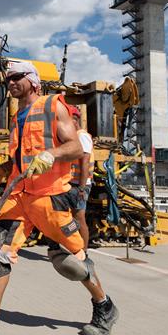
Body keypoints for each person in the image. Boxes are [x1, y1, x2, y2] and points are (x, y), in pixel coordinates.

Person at [0, 61, 119, 335]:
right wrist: (2, 168)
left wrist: (52, 155)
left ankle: (104, 306)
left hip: (49, 197)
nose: (9, 82)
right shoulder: (18, 118)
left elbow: (76, 147)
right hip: (19, 199)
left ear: (33, 81)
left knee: (72, 262)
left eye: (16, 78)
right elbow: (22, 158)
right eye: (7, 79)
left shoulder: (53, 105)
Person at [67, 106, 94, 251]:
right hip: (73, 183)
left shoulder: (81, 136)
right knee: (72, 217)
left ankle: (83, 252)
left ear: (75, 120)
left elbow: (84, 163)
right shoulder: (73, 137)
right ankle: (75, 247)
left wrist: (82, 188)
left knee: (79, 217)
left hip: (80, 185)